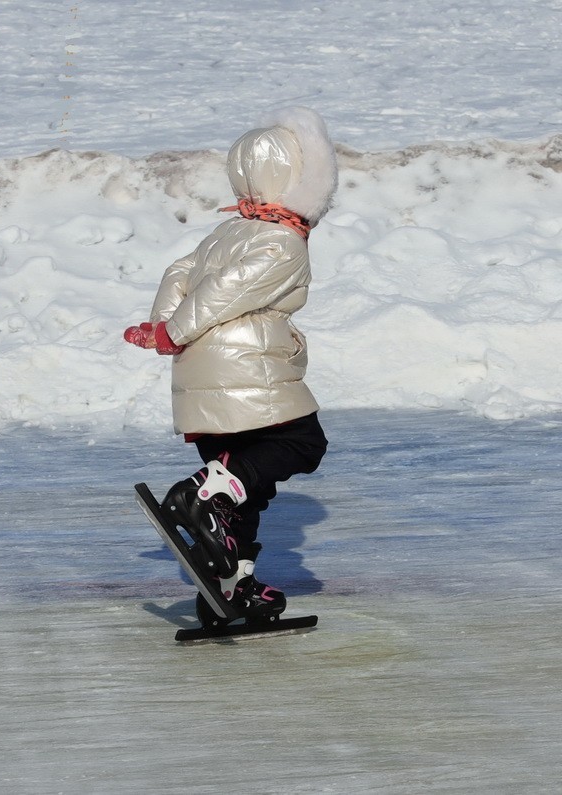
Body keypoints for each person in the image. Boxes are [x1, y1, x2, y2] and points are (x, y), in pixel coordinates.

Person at [124, 106, 338, 620]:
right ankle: (203, 495)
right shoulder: (282, 241)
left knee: (248, 486)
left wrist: (163, 324)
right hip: (245, 369)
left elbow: (179, 272)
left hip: (202, 374)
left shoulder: (230, 231)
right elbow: (228, 289)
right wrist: (173, 331)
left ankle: (229, 584)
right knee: (302, 442)